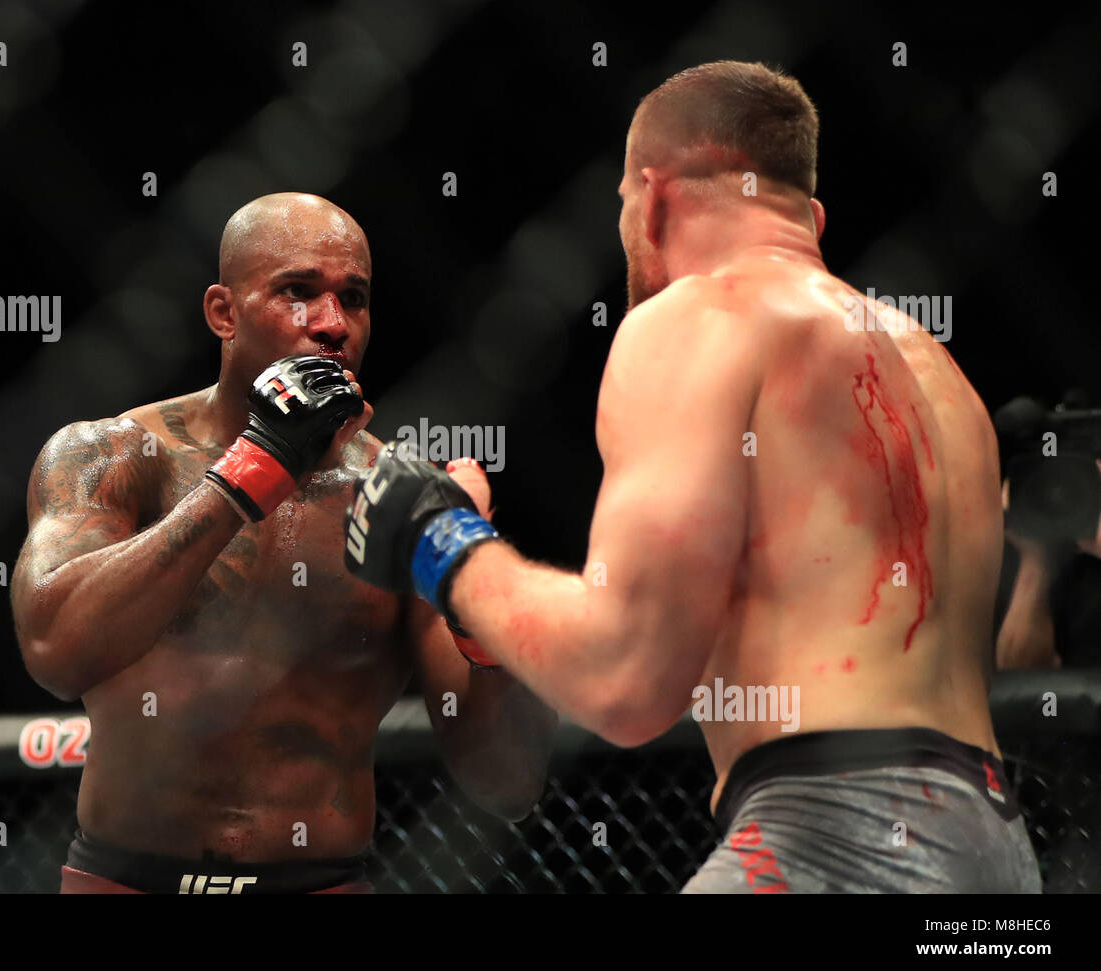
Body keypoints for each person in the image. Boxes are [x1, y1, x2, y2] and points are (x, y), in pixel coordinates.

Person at [346, 62, 1041, 892]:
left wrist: (440, 539)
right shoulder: (942, 376)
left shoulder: (698, 316)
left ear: (656, 195)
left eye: (620, 207)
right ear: (807, 216)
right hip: (995, 847)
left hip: (836, 834)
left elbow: (627, 676)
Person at [11, 192, 555, 894]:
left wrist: (474, 596)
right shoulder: (116, 456)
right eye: (297, 292)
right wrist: (249, 471)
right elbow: (56, 650)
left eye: (352, 299)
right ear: (223, 313)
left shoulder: (400, 501)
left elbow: (505, 780)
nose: (330, 324)